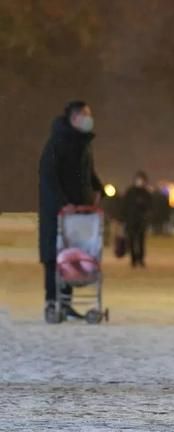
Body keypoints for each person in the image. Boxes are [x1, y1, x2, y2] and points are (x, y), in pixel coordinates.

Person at [38, 100, 103, 323]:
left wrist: (98, 188)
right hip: (57, 211)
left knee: (72, 254)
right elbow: (49, 177)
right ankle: (52, 301)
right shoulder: (57, 142)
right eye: (86, 115)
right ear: (74, 118)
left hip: (78, 210)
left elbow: (87, 172)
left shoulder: (83, 143)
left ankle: (66, 303)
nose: (89, 119)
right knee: (54, 255)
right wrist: (62, 202)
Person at [123, 171, 153, 268]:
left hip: (141, 220)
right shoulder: (130, 192)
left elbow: (150, 206)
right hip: (131, 220)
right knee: (131, 240)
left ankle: (140, 259)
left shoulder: (146, 193)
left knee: (141, 241)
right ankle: (133, 259)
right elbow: (124, 206)